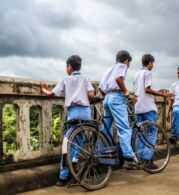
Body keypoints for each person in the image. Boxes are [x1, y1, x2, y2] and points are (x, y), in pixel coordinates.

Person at [40, 55, 95, 186]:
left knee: (68, 142)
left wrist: (43, 88)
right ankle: (75, 161)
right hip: (85, 113)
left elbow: (50, 93)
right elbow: (91, 94)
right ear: (80, 67)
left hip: (73, 114)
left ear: (69, 67)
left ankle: (63, 176)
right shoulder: (86, 78)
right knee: (80, 139)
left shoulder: (65, 79)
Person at [133, 54, 173, 168]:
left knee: (141, 134)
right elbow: (147, 89)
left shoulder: (136, 74)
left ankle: (140, 159)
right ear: (150, 63)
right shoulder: (147, 73)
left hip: (138, 108)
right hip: (148, 108)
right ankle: (147, 159)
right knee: (152, 132)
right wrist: (162, 94)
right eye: (153, 63)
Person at [99, 50, 137, 169]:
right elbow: (118, 78)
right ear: (126, 61)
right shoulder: (122, 66)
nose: (128, 65)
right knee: (124, 128)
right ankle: (128, 157)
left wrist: (108, 97)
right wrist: (126, 93)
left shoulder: (108, 70)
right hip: (116, 97)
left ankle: (101, 154)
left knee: (105, 129)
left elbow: (100, 87)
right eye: (129, 63)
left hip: (107, 98)